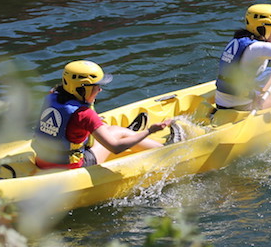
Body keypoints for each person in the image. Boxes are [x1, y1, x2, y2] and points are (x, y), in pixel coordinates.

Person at [33, 60, 174, 169]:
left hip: (41, 160)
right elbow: (115, 148)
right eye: (96, 86)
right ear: (82, 89)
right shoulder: (85, 115)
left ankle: (131, 134)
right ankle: (169, 151)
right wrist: (150, 130)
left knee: (106, 127)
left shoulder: (52, 96)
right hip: (69, 167)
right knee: (118, 132)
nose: (100, 90)